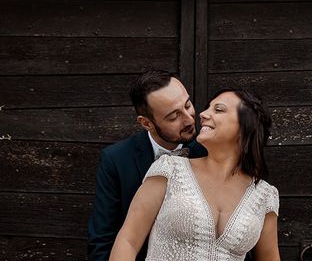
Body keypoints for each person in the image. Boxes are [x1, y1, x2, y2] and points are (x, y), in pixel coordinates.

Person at [109, 88, 280, 261]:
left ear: (246, 125)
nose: (203, 114)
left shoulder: (265, 196)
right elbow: (128, 241)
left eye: (218, 109)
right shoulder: (170, 169)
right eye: (207, 108)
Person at [87, 70, 207, 261]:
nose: (189, 119)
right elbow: (102, 240)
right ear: (146, 123)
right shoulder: (116, 160)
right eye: (173, 116)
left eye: (188, 105)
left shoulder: (209, 150)